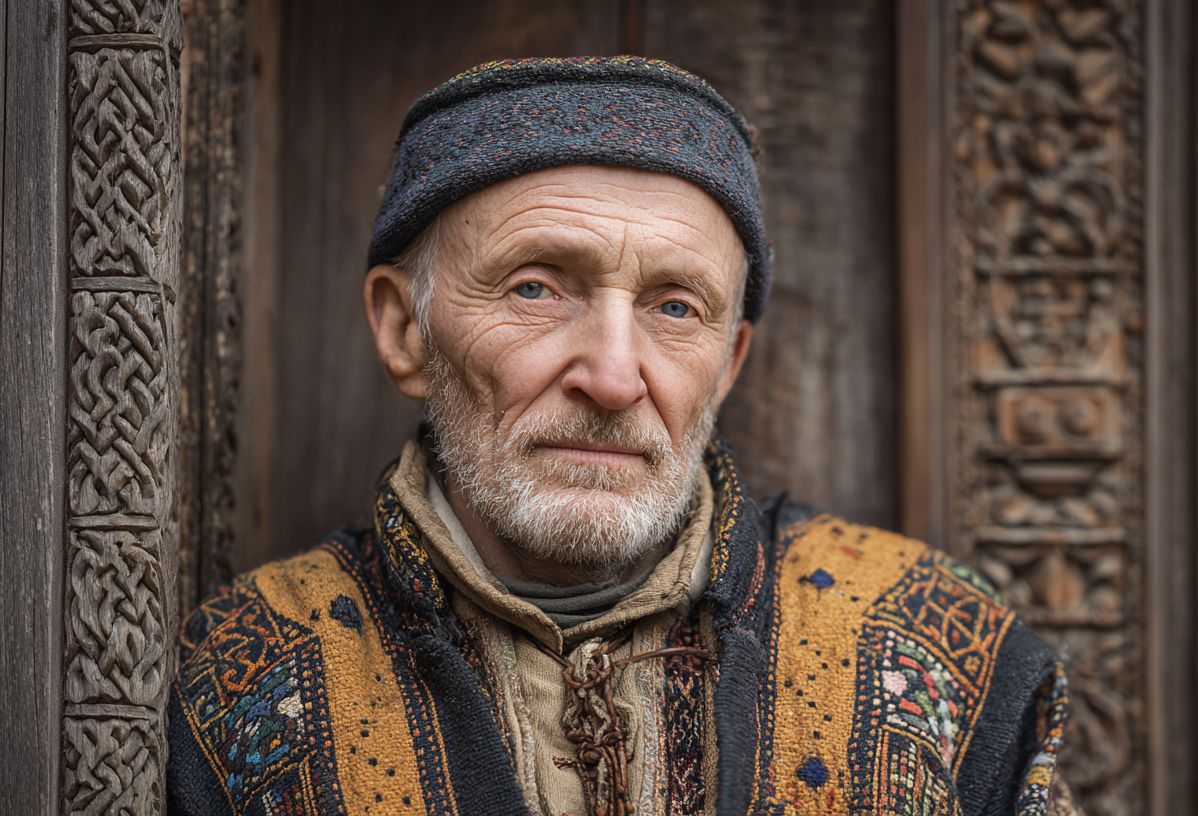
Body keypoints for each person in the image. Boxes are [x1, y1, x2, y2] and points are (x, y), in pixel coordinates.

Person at [167, 56, 1080, 816]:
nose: (612, 376)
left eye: (675, 308)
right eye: (536, 288)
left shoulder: (933, 642)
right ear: (405, 330)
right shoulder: (244, 672)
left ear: (726, 364)